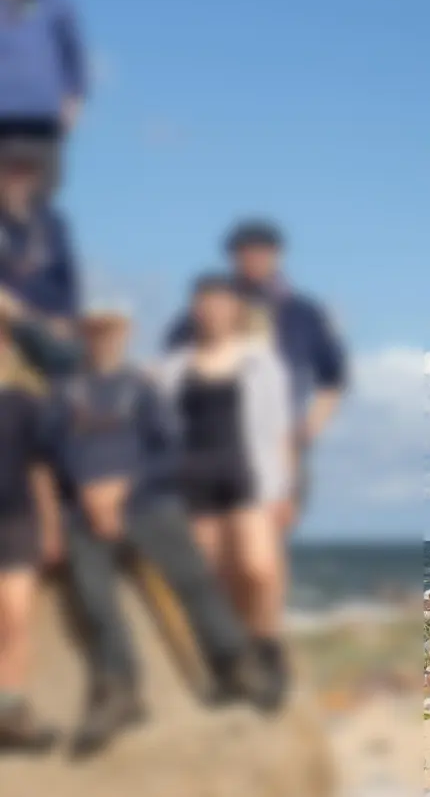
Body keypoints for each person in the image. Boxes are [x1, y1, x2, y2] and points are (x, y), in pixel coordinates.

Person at [50, 305, 274, 757]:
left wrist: (123, 486)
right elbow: (52, 451)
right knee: (94, 599)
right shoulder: (64, 393)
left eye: (110, 330)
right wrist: (87, 492)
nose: (102, 338)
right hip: (84, 514)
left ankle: (235, 666)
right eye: (93, 330)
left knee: (195, 582)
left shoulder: (141, 388)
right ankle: (120, 690)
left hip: (147, 503)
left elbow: (170, 451)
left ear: (123, 334)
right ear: (83, 335)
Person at [152, 274, 295, 709]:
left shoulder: (259, 362)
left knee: (258, 569)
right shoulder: (175, 368)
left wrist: (284, 490)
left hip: (247, 480)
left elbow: (278, 430)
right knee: (210, 580)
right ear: (196, 311)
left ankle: (267, 656)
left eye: (221, 304)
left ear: (234, 311)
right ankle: (226, 668)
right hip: (194, 485)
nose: (213, 312)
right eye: (205, 304)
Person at [166, 220, 345, 532]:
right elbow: (172, 370)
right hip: (210, 446)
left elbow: (332, 377)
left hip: (281, 441)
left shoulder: (303, 313)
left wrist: (309, 428)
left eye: (261, 252)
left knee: (269, 534)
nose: (252, 259)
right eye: (244, 252)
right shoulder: (202, 312)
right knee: (209, 539)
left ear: (277, 255)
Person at [0, 0, 86, 205]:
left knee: (36, 214)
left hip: (42, 126)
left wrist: (74, 101)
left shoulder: (55, 3)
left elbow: (75, 58)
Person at [0, 316, 56, 752]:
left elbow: (40, 468)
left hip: (16, 517)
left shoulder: (25, 400)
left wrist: (52, 524)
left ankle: (10, 710)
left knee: (15, 615)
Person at [0, 135, 79, 375]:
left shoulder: (52, 224)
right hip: (8, 325)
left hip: (44, 333)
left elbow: (69, 284)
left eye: (25, 172)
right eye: (11, 170)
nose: (17, 179)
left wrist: (65, 321)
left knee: (73, 355)